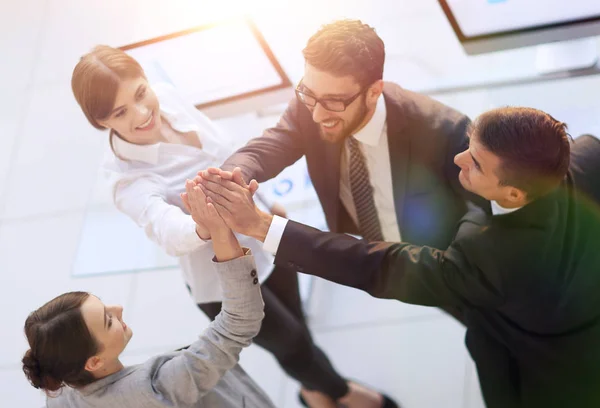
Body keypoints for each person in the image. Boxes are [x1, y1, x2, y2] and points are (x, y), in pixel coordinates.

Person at [198, 107, 600, 408]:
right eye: (469, 146)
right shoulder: (589, 156)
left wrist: (260, 225)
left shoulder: (486, 257)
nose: (459, 160)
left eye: (475, 163)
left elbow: (376, 265)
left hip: (537, 361)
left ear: (514, 195)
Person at [70, 45, 383, 408]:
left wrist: (264, 203)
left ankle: (312, 390)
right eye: (120, 113)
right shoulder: (126, 180)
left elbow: (225, 152)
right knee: (292, 342)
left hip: (265, 232)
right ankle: (344, 394)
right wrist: (204, 225)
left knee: (297, 327)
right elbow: (167, 230)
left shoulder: (169, 99)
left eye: (141, 93)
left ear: (146, 79)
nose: (142, 114)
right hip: (221, 276)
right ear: (101, 122)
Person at [221, 19, 487, 253]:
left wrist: (455, 264)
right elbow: (266, 148)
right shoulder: (309, 106)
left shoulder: (441, 129)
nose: (317, 116)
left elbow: (486, 211)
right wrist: (231, 177)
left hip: (438, 262)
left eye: (334, 102)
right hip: (374, 260)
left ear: (373, 92)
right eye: (309, 93)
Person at [21, 181, 276, 407]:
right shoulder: (154, 390)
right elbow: (239, 322)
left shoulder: (61, 394)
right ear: (94, 362)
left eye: (104, 306)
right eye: (108, 321)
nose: (118, 308)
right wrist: (219, 230)